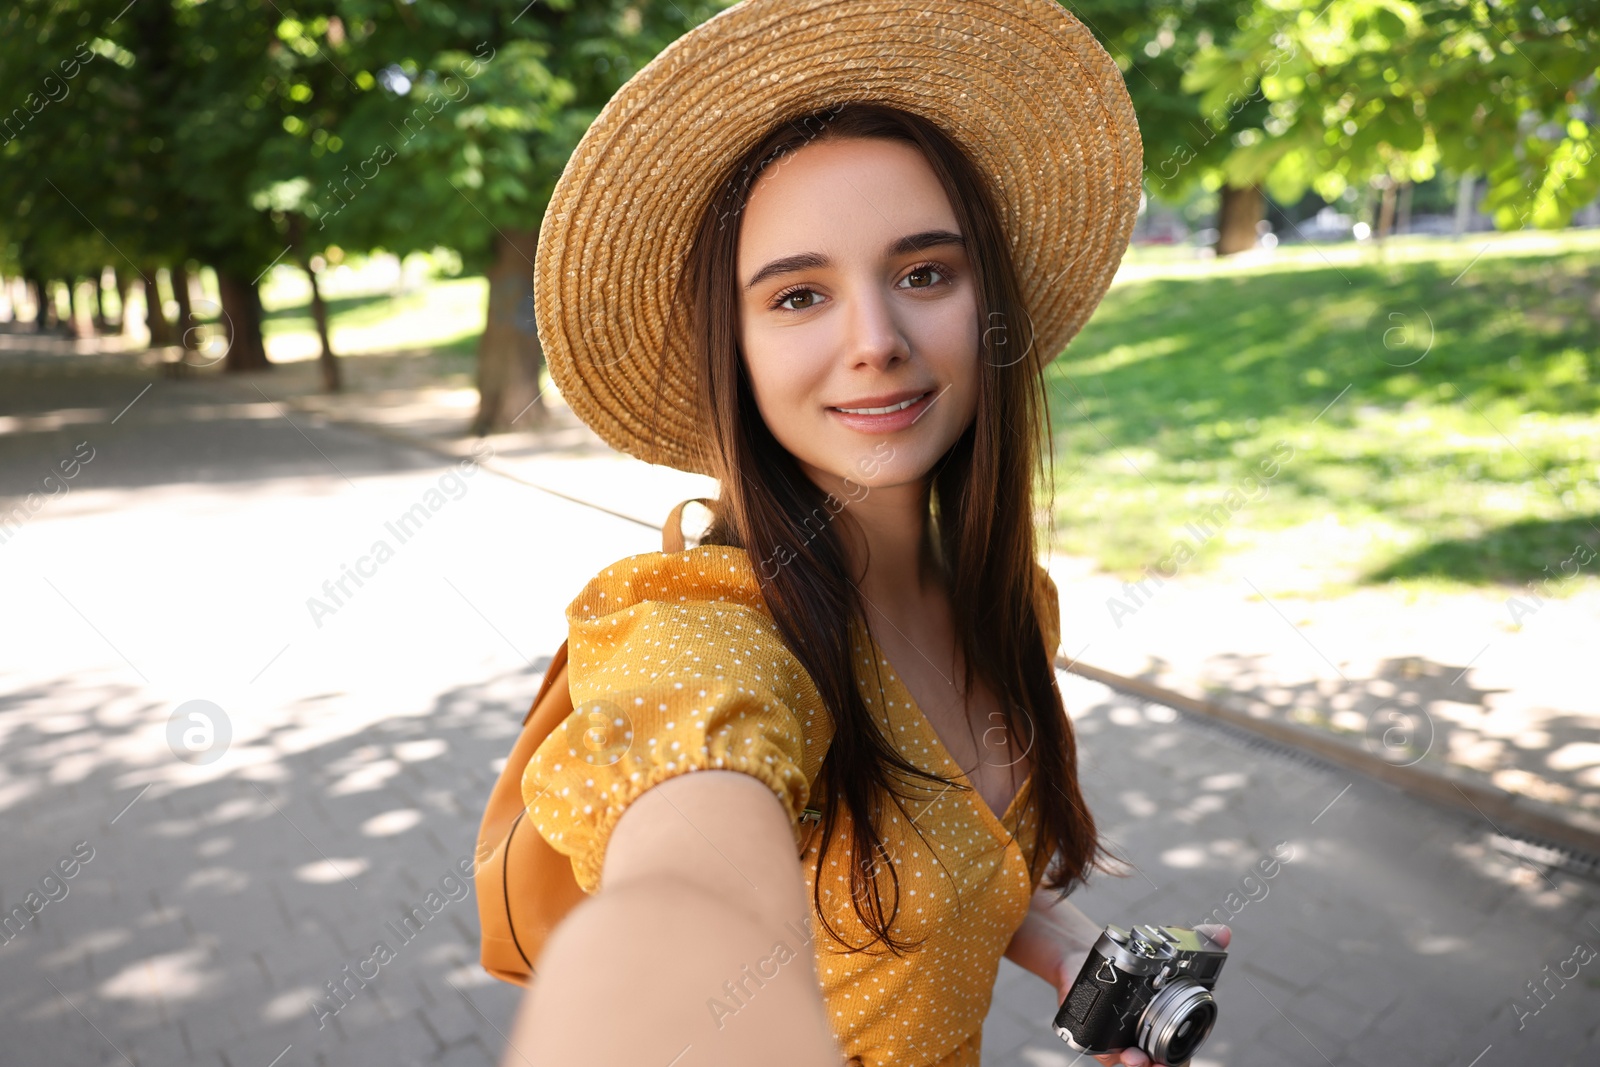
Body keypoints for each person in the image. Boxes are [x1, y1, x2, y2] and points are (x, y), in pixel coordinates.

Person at [500, 2, 1229, 1064]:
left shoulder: (1009, 601)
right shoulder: (704, 632)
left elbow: (910, 852)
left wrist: (1062, 942)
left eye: (925, 272)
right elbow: (685, 890)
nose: (876, 341)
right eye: (798, 295)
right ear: (734, 351)